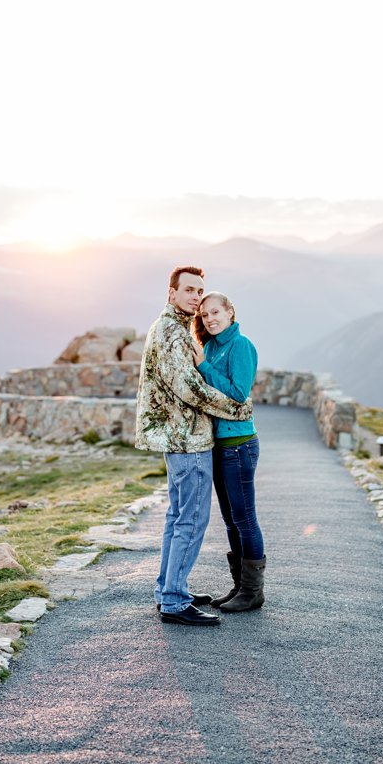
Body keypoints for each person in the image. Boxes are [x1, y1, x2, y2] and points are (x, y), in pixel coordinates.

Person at [135, 266, 253, 627]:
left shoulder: (174, 327)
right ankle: (173, 601)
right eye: (188, 290)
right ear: (171, 293)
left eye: (199, 291)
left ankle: (170, 589)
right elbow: (191, 388)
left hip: (181, 438)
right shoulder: (171, 331)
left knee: (176, 517)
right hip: (188, 440)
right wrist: (237, 407)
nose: (195, 297)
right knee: (191, 518)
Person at [191, 291, 266, 612]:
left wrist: (204, 366)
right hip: (218, 445)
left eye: (215, 312)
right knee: (230, 520)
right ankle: (239, 587)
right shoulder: (210, 346)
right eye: (205, 315)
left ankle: (253, 591)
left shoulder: (241, 345)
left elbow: (237, 393)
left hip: (239, 445)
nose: (210, 319)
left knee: (245, 518)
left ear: (230, 312)